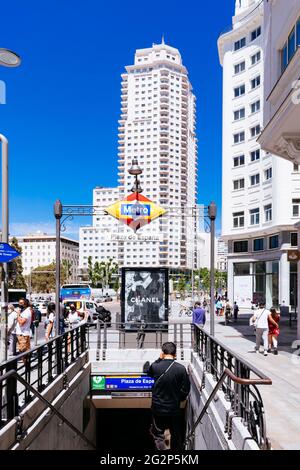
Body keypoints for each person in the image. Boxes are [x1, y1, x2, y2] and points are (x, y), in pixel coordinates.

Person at [148, 342, 190, 451]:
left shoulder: (155, 366)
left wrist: (159, 359)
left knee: (158, 435)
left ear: (162, 352)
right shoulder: (181, 369)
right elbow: (186, 389)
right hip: (173, 408)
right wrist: (179, 398)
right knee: (176, 434)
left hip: (158, 408)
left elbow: (149, 372)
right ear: (175, 353)